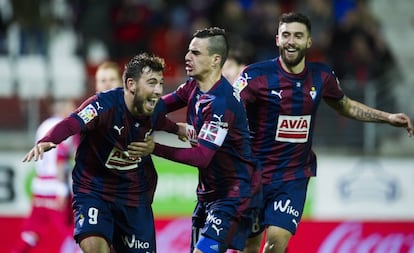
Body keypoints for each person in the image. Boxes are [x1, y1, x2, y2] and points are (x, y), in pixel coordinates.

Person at [233, 12, 414, 253]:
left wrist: (387, 117)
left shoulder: (322, 76)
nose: (291, 41)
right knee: (250, 246)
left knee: (276, 242)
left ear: (309, 41)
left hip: (293, 177)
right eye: (286, 35)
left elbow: (346, 105)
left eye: (298, 36)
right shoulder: (254, 76)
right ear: (277, 39)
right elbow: (228, 109)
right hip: (254, 174)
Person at [22, 52, 166, 253]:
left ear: (126, 84)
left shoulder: (148, 109)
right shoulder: (96, 110)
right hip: (95, 193)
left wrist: (178, 130)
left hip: (130, 197)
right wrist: (49, 140)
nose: (106, 85)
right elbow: (71, 124)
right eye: (102, 81)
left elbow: (172, 107)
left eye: (111, 80)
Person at [149, 27, 261, 253]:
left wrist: (154, 147)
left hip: (235, 193)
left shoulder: (221, 103)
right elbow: (159, 107)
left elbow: (202, 156)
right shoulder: (193, 87)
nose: (187, 57)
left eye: (196, 53)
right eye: (189, 51)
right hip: (208, 193)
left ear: (215, 60)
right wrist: (130, 109)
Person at [13, 99, 78, 253]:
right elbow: (60, 159)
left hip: (40, 187)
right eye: (73, 108)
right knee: (75, 233)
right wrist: (62, 189)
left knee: (31, 232)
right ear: (65, 108)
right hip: (56, 186)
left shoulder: (43, 126)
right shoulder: (64, 126)